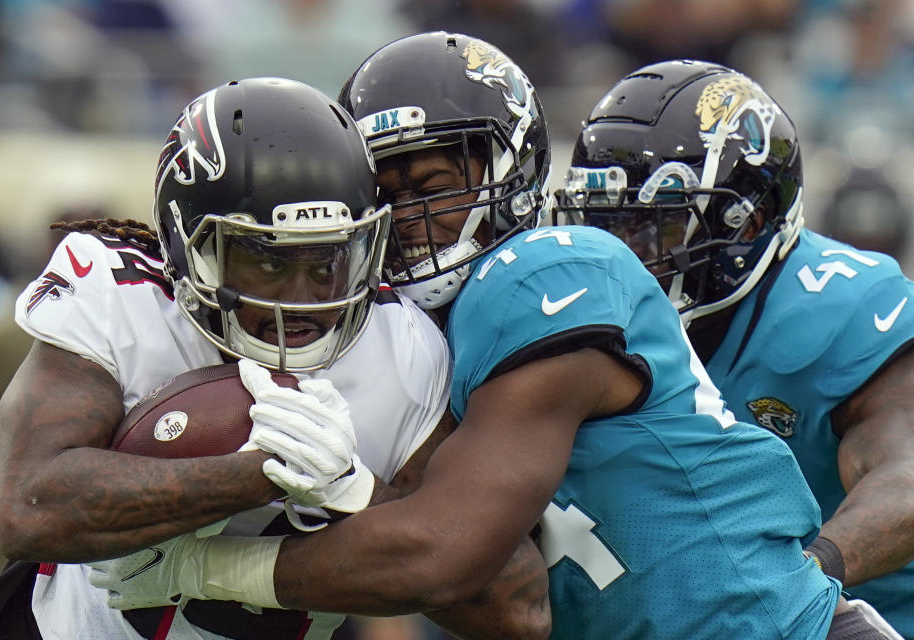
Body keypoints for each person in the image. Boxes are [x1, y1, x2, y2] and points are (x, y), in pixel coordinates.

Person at [86, 33, 902, 639]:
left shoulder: (548, 272)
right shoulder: (403, 334)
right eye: (389, 190)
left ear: (507, 169)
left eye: (435, 182)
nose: (412, 217)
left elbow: (444, 551)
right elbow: (507, 607)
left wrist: (207, 569)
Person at [0, 77, 550, 640]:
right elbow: (30, 506)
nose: (301, 299)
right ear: (187, 247)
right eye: (268, 260)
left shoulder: (401, 348)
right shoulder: (124, 297)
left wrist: (351, 488)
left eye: (327, 264)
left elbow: (513, 606)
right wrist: (262, 472)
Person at [554, 59, 914, 637]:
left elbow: (906, 480)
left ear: (749, 221)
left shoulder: (834, 307)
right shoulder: (579, 318)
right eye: (604, 226)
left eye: (656, 227)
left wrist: (800, 576)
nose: (624, 254)